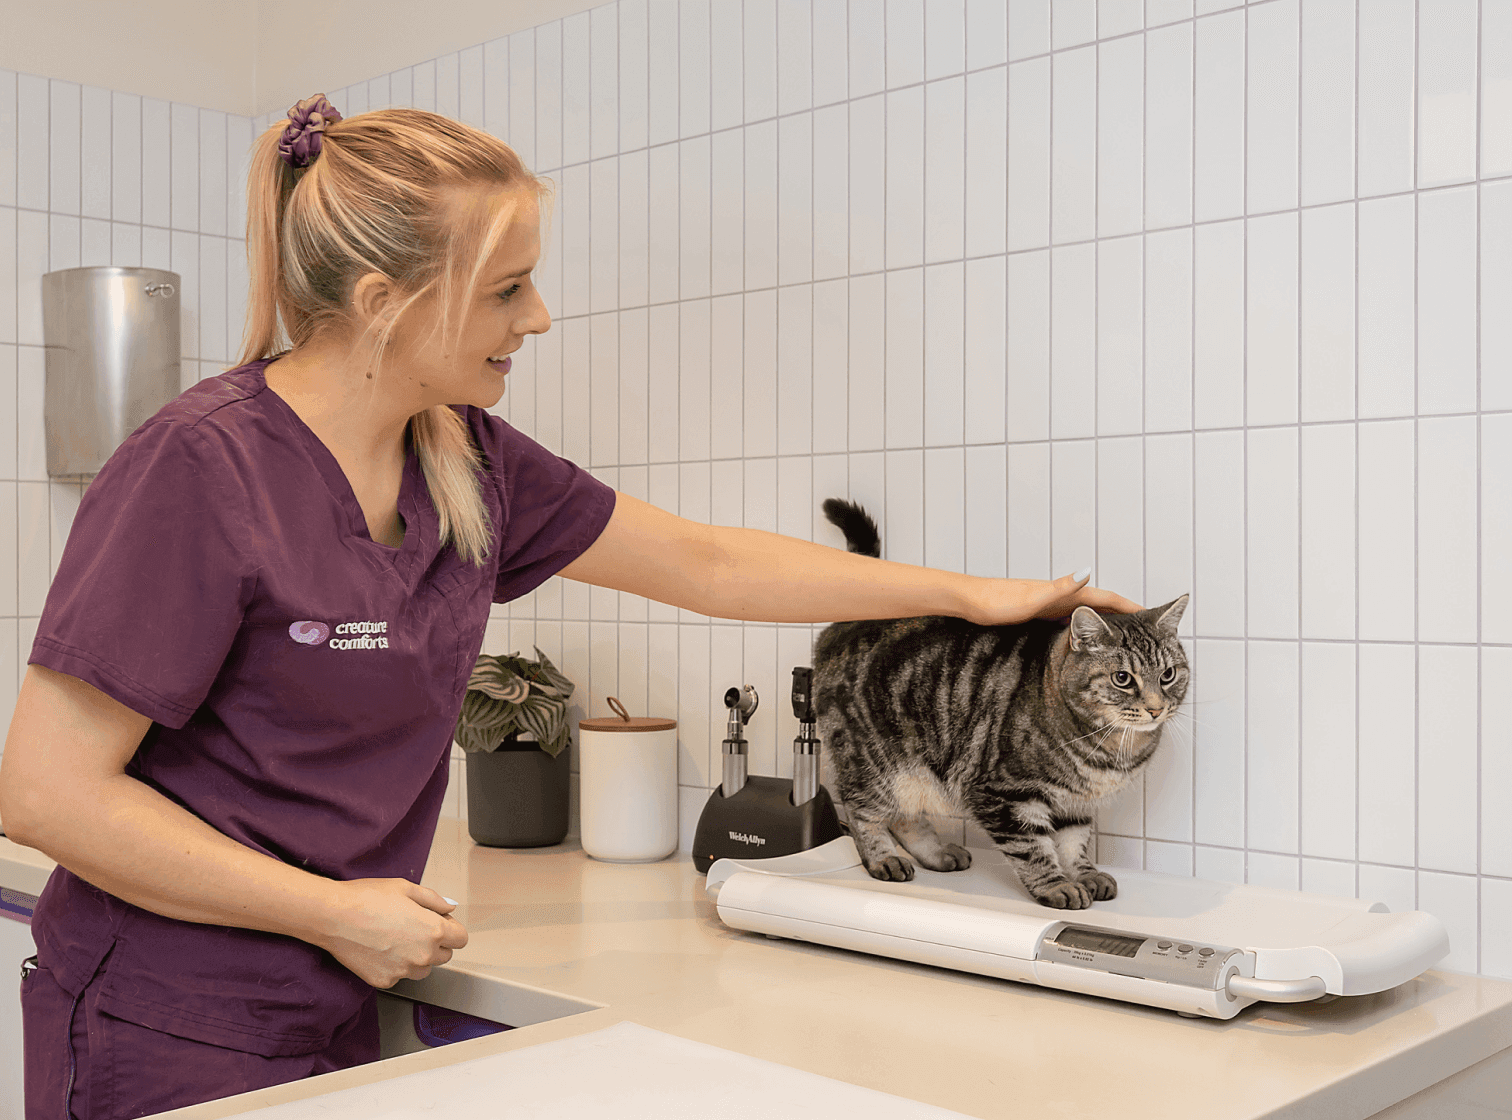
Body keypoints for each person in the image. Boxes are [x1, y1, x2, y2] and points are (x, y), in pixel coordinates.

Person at [0, 96, 1140, 1119]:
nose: (538, 317)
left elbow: (709, 565)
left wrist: (976, 597)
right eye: (506, 288)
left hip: (338, 997)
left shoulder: (468, 460)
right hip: (166, 1023)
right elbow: (45, 792)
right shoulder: (200, 469)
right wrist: (330, 912)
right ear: (383, 302)